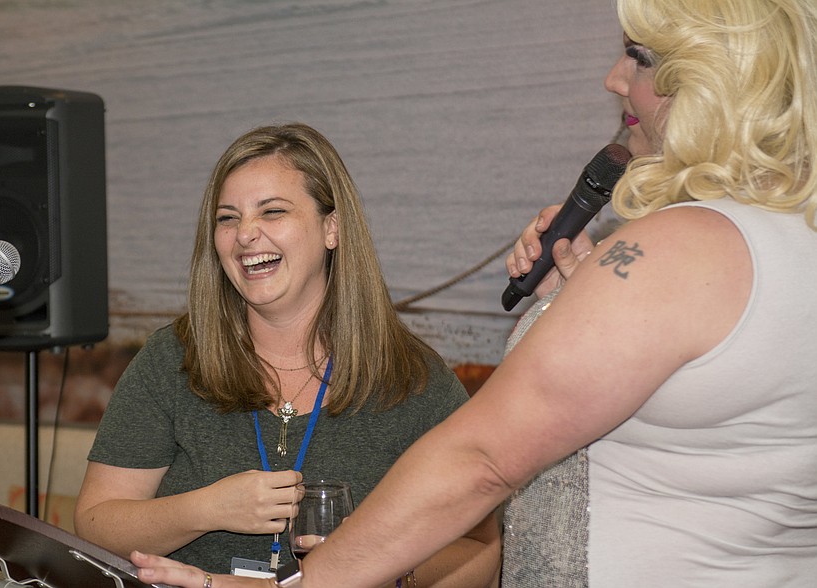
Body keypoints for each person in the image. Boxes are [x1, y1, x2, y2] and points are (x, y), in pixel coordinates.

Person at [133, 0, 817, 585]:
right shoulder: (790, 235)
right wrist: (570, 298)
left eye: (639, 57)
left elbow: (483, 461)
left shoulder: (675, 249)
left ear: (712, 75)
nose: (614, 79)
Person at [74, 122, 500, 586]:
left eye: (272, 212)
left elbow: (479, 548)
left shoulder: (414, 378)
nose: (245, 235)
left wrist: (373, 566)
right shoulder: (171, 359)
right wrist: (209, 508)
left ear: (332, 228)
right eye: (227, 218)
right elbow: (96, 523)